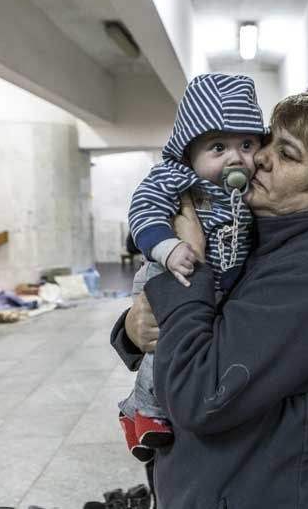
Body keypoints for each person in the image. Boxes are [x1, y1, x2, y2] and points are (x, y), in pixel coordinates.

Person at [110, 91, 308, 508]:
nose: (260, 158)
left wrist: (191, 267)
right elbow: (211, 330)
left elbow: (201, 395)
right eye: (269, 141)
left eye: (288, 155)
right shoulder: (258, 237)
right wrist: (133, 330)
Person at [119, 74, 265, 461]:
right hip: (168, 272)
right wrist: (167, 247)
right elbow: (144, 211)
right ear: (188, 153)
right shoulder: (176, 178)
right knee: (163, 346)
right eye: (218, 147)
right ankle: (142, 412)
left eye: (247, 145)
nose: (236, 158)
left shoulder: (250, 193)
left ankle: (146, 409)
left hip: (211, 288)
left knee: (184, 349)